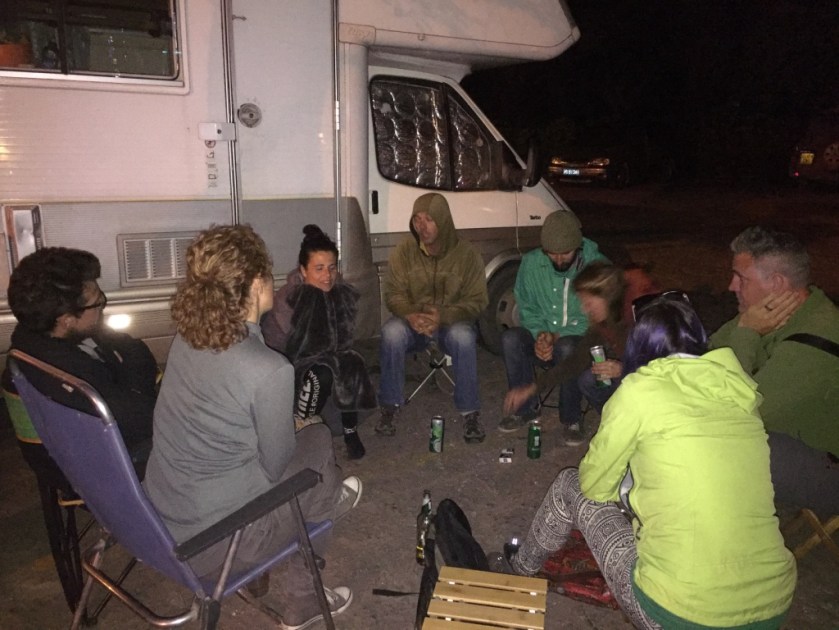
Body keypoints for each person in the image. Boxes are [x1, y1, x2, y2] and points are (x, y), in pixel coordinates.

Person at [493, 295, 796, 629]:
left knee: (571, 485)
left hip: (678, 613)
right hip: (773, 605)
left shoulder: (640, 390)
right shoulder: (740, 395)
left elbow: (595, 486)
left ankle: (520, 568)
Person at [143, 225, 359, 628]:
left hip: (158, 520)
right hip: (219, 544)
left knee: (308, 451)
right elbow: (275, 468)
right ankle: (304, 599)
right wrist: (297, 425)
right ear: (257, 285)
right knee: (317, 448)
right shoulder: (267, 368)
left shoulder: (186, 339)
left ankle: (327, 500)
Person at [710, 226, 839, 515]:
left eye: (741, 278)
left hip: (831, 469)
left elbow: (735, 415)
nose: (731, 286)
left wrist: (746, 335)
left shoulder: (816, 341)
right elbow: (706, 353)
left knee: (724, 445)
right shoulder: (767, 314)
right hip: (793, 441)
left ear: (777, 284)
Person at [2, 247, 157, 471]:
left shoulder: (33, 336)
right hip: (109, 465)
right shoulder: (69, 378)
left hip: (112, 431)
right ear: (67, 320)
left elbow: (132, 347)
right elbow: (142, 419)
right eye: (97, 303)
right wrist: (136, 385)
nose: (103, 304)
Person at [375, 192, 489, 443]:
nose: (421, 226)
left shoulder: (467, 254)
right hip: (413, 323)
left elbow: (478, 300)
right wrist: (410, 314)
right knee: (391, 332)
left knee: (464, 337)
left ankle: (470, 412)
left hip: (450, 325)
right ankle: (389, 406)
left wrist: (444, 315)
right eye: (417, 219)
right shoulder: (405, 251)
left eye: (429, 219)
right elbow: (393, 294)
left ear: (443, 220)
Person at [261, 225, 376, 460]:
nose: (327, 276)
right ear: (303, 271)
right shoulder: (290, 298)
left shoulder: (338, 292)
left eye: (332, 268)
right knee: (321, 372)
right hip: (289, 362)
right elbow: (288, 346)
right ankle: (303, 426)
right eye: (319, 269)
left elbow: (344, 337)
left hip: (326, 354)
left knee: (351, 362)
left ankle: (350, 429)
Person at [499, 210, 608, 444]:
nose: (558, 260)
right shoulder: (531, 264)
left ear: (578, 246)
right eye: (551, 253)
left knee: (567, 347)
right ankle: (525, 409)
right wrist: (541, 335)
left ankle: (571, 418)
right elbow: (527, 306)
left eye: (565, 253)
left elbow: (597, 319)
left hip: (578, 345)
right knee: (511, 338)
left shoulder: (596, 266)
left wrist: (557, 336)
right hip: (546, 338)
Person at [502, 262, 628, 430]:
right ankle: (618, 424)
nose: (584, 310)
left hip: (647, 384)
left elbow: (659, 365)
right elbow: (573, 364)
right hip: (629, 381)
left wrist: (624, 368)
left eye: (588, 303)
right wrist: (530, 389)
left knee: (592, 379)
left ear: (607, 296)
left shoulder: (634, 321)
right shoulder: (599, 328)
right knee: (590, 378)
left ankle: (628, 425)